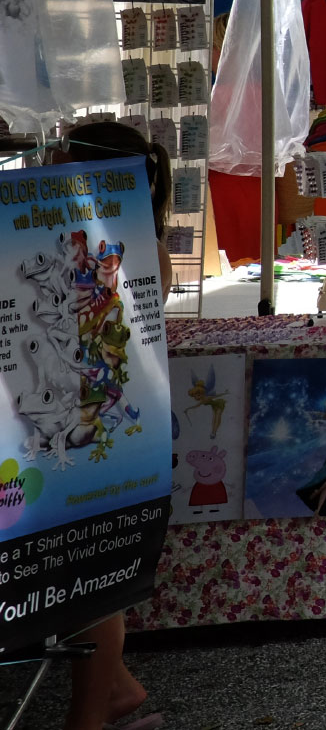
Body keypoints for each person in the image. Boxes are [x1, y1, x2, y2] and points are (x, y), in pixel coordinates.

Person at [49, 121, 168, 730]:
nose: (46, 158)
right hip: (97, 424)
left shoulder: (112, 245)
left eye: (58, 152)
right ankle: (112, 690)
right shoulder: (130, 236)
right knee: (79, 571)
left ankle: (92, 713)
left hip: (103, 430)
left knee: (90, 572)